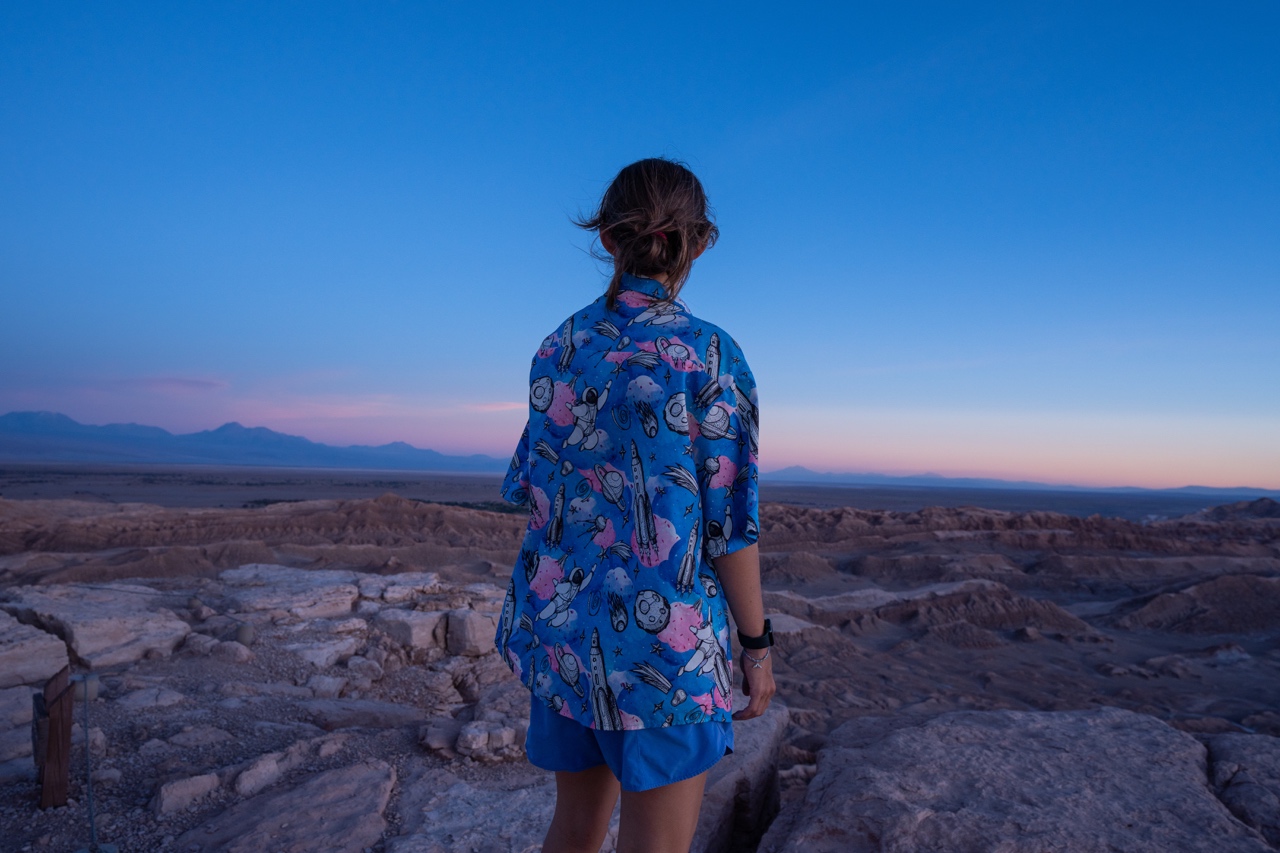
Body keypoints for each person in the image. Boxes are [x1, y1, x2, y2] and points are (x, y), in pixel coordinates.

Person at [495, 157, 776, 853]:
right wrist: (756, 647)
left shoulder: (560, 346)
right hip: (665, 656)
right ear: (699, 242)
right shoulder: (710, 356)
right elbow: (730, 528)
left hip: (563, 637)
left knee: (573, 831)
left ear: (607, 238)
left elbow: (533, 489)